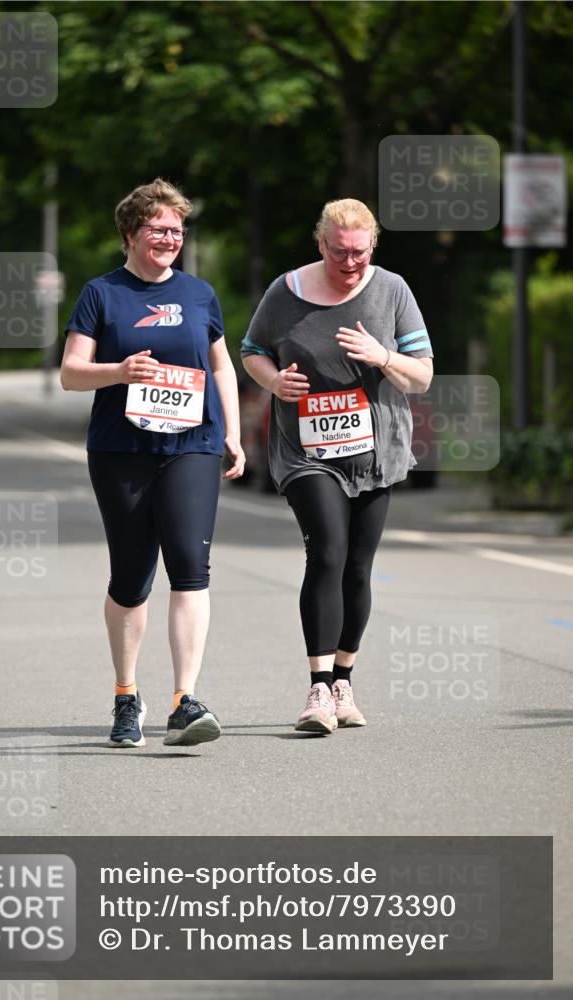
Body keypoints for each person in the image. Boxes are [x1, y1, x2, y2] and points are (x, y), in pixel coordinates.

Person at [61, 178, 245, 748]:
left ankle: (184, 702)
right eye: (158, 229)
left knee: (191, 566)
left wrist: (234, 434)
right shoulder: (101, 294)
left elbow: (220, 368)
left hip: (193, 444)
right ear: (130, 234)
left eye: (177, 229)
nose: (170, 237)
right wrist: (120, 371)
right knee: (132, 575)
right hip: (121, 450)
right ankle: (125, 694)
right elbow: (71, 373)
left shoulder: (198, 294)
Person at [241, 198, 433, 734]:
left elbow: (422, 376)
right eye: (338, 251)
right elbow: (252, 349)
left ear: (372, 247)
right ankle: (318, 689)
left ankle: (344, 678)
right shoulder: (286, 292)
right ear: (320, 243)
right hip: (306, 450)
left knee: (357, 566)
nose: (349, 263)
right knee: (327, 550)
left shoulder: (392, 290)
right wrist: (274, 381)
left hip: (376, 450)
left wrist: (383, 356)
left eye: (359, 252)